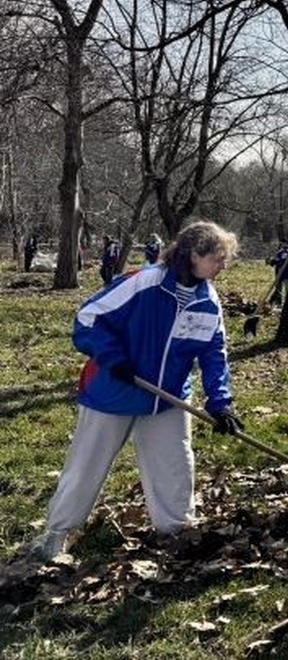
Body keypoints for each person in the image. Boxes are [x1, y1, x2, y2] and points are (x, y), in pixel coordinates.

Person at [30, 221, 242, 560]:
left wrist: (221, 402)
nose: (223, 265)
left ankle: (176, 532)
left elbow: (213, 351)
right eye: (217, 258)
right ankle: (58, 532)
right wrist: (114, 359)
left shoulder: (207, 300)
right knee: (87, 464)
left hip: (167, 399)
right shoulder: (143, 283)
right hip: (114, 392)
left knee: (175, 465)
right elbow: (87, 318)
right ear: (192, 254)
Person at [267, 239, 288, 306]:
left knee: (287, 288)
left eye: (283, 243)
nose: (282, 245)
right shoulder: (279, 252)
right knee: (278, 289)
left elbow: (287, 261)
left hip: (287, 273)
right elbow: (276, 261)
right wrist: (271, 261)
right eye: (281, 244)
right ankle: (278, 302)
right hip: (279, 273)